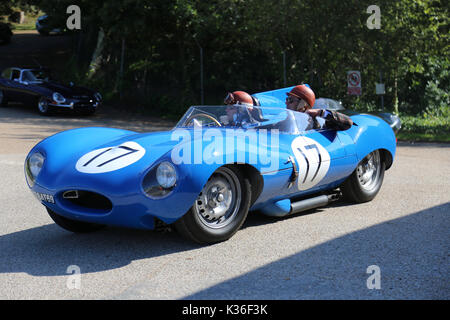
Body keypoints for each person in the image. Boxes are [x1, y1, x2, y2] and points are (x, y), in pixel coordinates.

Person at [285, 84, 353, 131]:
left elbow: (348, 122)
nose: (286, 102)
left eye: (290, 99)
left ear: (303, 104)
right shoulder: (283, 124)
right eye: (287, 99)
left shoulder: (318, 123)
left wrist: (321, 113)